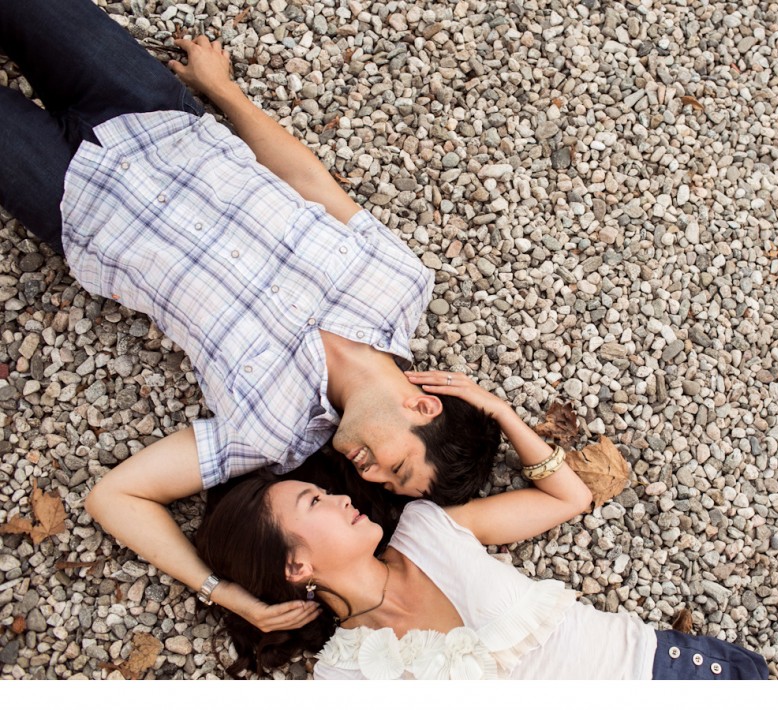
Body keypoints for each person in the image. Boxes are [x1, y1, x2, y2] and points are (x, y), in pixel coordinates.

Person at [0, 0, 499, 634]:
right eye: (395, 467)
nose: (366, 475)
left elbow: (114, 498)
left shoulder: (273, 434)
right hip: (159, 118)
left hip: (76, 203)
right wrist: (222, 91)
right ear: (424, 406)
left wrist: (224, 593)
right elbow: (308, 181)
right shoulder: (398, 286)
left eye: (383, 483)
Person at [197, 372, 770, 680]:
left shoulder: (426, 528)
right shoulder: (345, 675)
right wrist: (227, 596)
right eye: (313, 502)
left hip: (670, 673)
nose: (339, 497)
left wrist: (497, 411)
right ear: (297, 566)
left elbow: (566, 497)